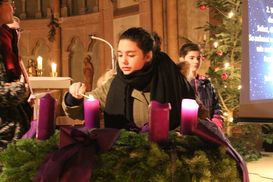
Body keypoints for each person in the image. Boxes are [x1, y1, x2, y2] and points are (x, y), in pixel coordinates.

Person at [63, 27, 195, 131]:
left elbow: (196, 118)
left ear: (148, 56)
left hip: (165, 158)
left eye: (130, 55)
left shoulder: (173, 80)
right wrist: (73, 98)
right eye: (120, 55)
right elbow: (82, 110)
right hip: (124, 156)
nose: (123, 61)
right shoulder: (115, 84)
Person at [0, 0, 32, 150]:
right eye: (9, 2)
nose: (13, 7)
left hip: (12, 130)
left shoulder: (6, 36)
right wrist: (20, 90)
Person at [177, 42, 224, 129]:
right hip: (184, 131)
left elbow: (217, 107)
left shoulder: (206, 83)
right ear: (182, 59)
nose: (196, 61)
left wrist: (215, 125)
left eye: (198, 58)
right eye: (192, 58)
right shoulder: (177, 83)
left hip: (207, 131)